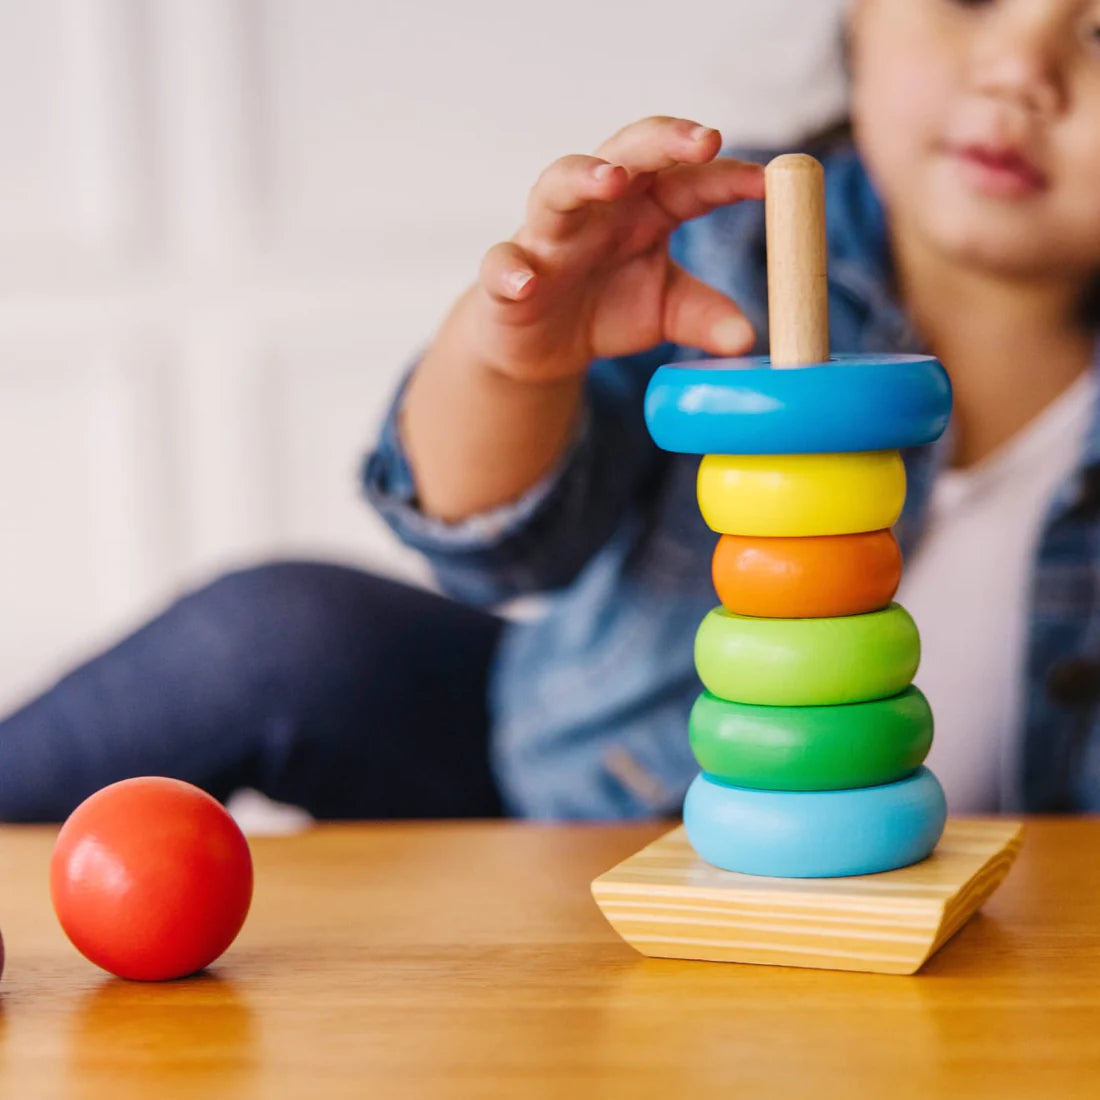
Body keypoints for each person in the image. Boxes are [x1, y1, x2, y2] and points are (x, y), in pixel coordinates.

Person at [3, 0, 1100, 821]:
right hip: (586, 805)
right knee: (276, 634)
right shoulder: (717, 251)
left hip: (974, 875)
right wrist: (516, 357)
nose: (1020, 71)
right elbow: (497, 544)